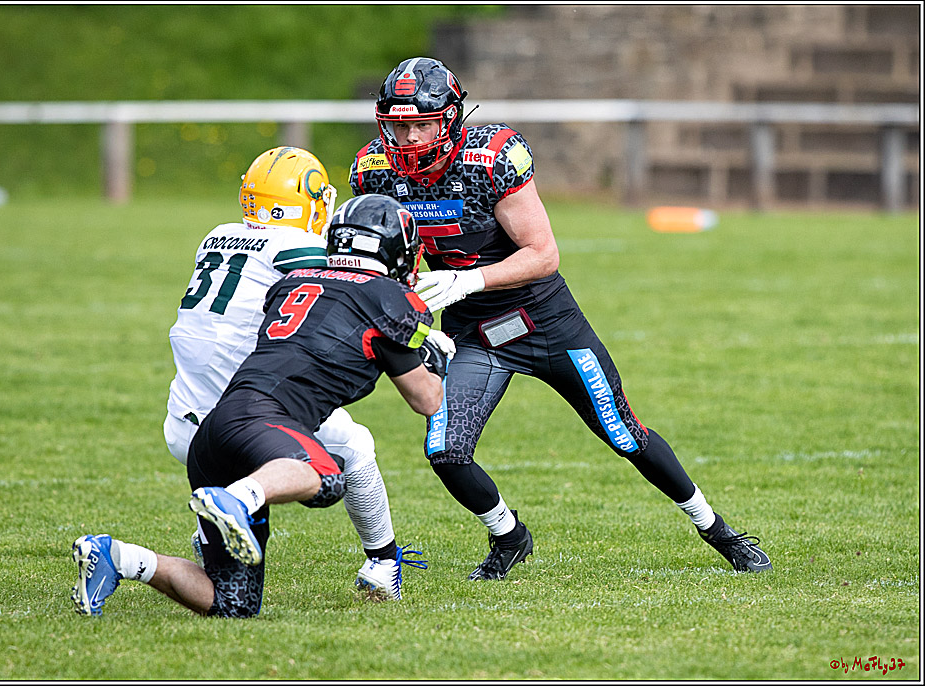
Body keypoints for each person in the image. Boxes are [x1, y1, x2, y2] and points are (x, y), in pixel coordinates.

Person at [349, 56, 772, 581]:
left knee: (623, 434)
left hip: (543, 319)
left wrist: (468, 280)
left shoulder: (490, 160)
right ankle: (509, 536)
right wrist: (413, 310)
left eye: (422, 124)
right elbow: (389, 258)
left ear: (451, 119)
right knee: (445, 450)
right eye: (398, 125)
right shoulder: (375, 170)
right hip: (474, 334)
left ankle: (718, 531)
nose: (410, 139)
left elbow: (543, 253)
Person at [72, 193, 453, 618]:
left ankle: (118, 557)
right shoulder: (390, 299)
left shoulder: (293, 281)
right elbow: (426, 399)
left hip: (215, 431)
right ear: (398, 251)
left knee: (231, 603)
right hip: (264, 420)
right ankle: (238, 498)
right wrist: (437, 360)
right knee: (326, 476)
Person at [159, 146, 413, 599]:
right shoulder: (296, 246)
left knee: (232, 591)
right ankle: (382, 563)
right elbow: (352, 287)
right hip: (254, 411)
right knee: (354, 448)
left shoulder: (216, 235)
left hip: (183, 419)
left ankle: (207, 539)